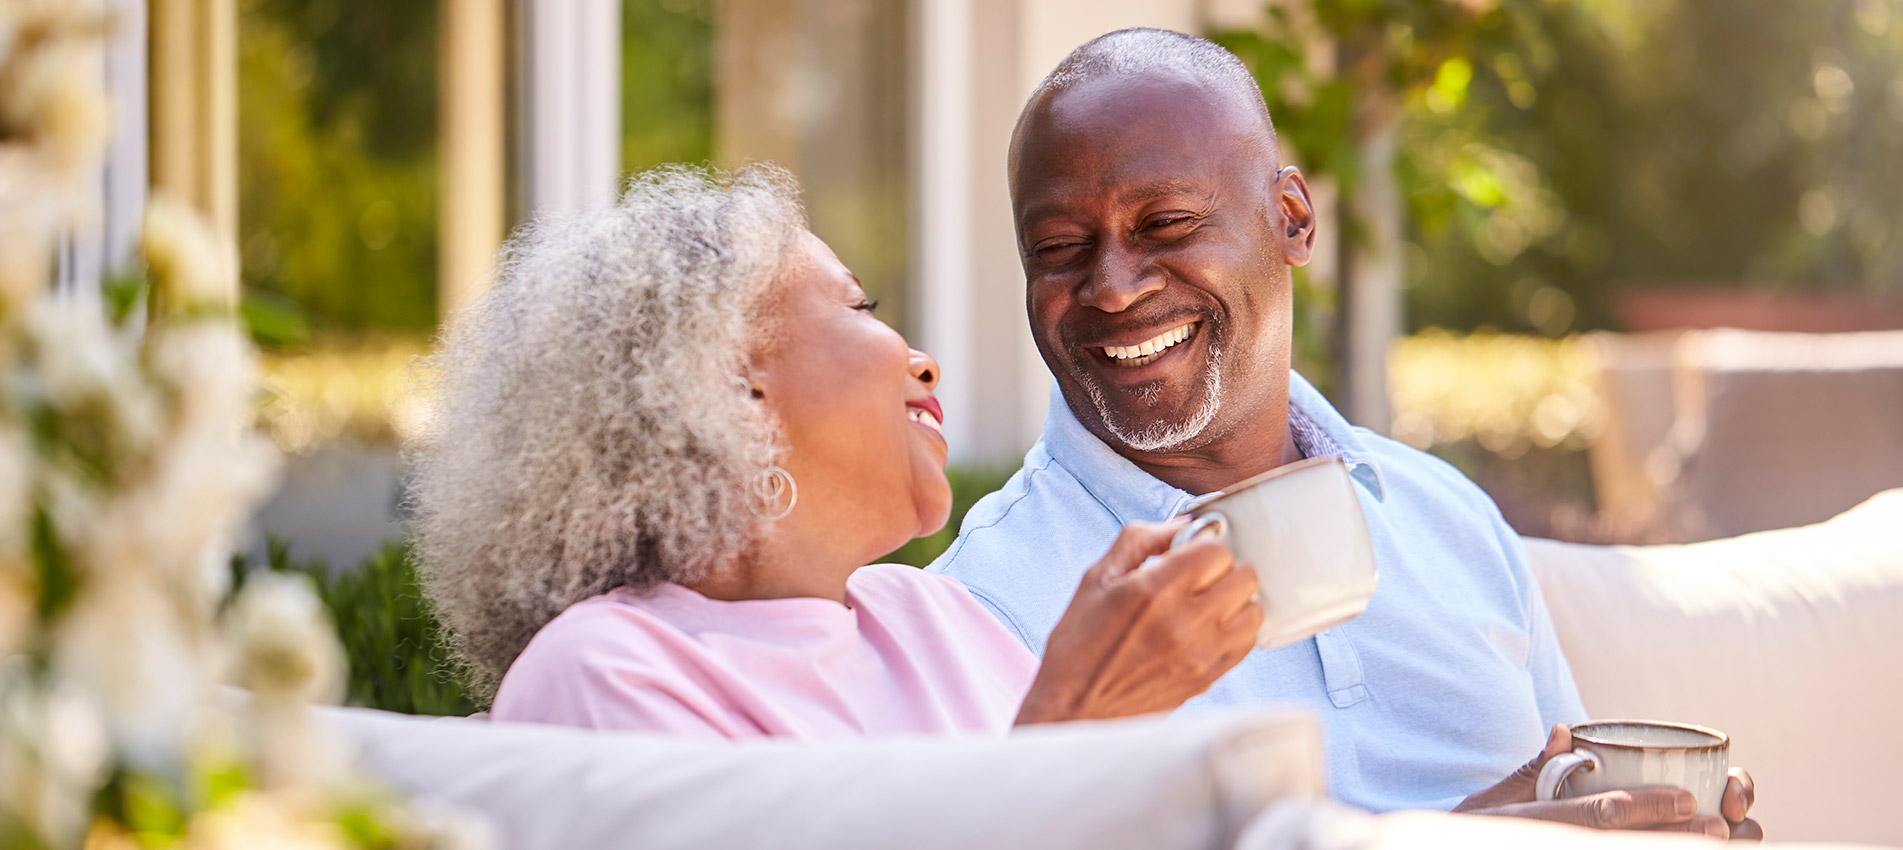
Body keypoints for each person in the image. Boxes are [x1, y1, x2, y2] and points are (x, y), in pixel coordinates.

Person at [926, 28, 1761, 839]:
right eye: (1059, 247)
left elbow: (1568, 791)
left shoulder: (1444, 517)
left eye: (1167, 224)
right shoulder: (988, 603)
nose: (1110, 288)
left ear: (1291, 218)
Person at [407, 164, 1263, 740]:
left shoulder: (939, 619)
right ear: (727, 391)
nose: (922, 360)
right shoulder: (605, 672)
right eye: (858, 309)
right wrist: (1073, 725)